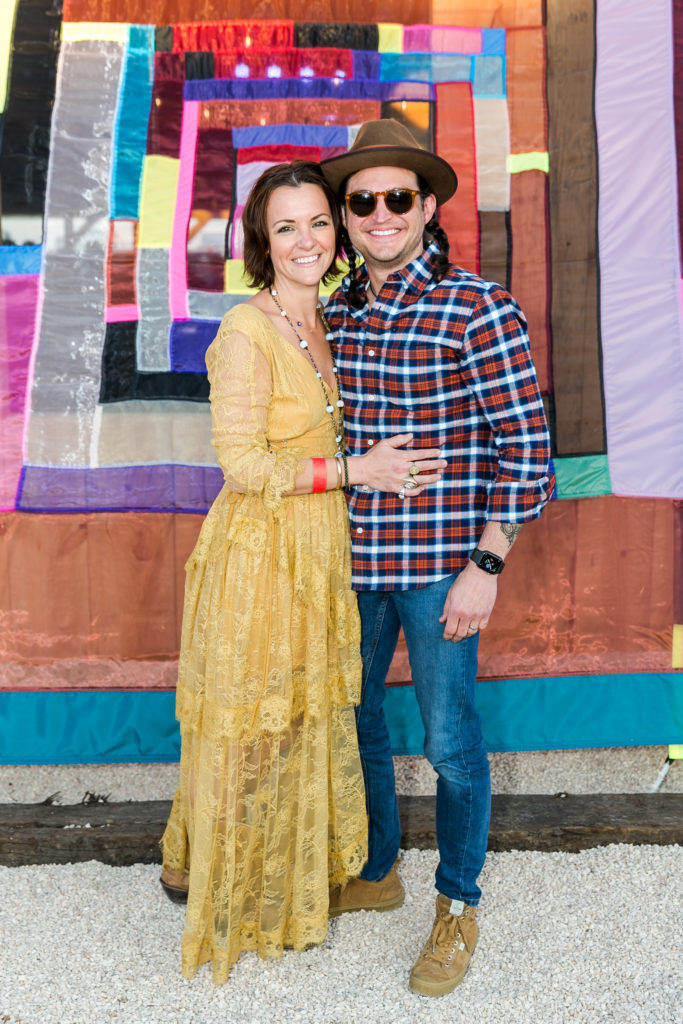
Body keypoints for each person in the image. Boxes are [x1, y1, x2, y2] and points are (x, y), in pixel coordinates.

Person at [159, 160, 446, 984]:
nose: (307, 240)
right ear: (262, 239)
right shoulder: (245, 333)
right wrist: (357, 471)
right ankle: (234, 888)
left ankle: (286, 867)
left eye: (319, 222)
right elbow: (243, 464)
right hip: (261, 555)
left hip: (322, 552)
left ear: (339, 231)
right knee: (253, 727)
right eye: (286, 226)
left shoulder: (331, 317)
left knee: (309, 719)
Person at [320, 121, 555, 997]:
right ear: (344, 216)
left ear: (427, 207)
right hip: (349, 566)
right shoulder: (330, 312)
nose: (380, 214)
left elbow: (527, 452)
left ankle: (456, 903)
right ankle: (380, 870)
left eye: (398, 198)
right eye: (361, 201)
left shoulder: (476, 308)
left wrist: (485, 568)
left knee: (450, 742)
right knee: (355, 722)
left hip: (439, 567)